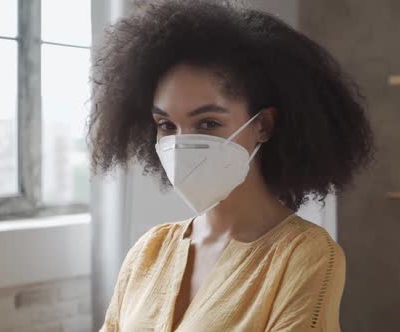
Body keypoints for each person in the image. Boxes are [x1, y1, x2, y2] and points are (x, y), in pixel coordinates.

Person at [89, 0, 375, 331]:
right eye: (166, 124)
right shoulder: (148, 251)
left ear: (263, 126)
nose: (182, 143)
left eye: (208, 123)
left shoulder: (304, 256)